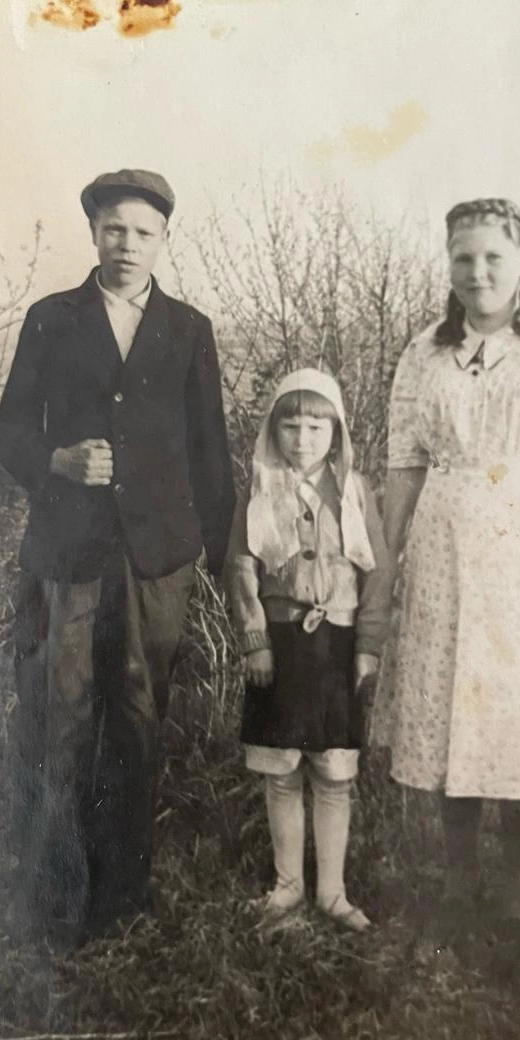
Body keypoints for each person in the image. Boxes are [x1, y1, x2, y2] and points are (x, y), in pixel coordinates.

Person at [0, 169, 236, 946]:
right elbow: (8, 429)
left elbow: (211, 451)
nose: (127, 245)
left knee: (137, 716)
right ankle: (49, 893)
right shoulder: (51, 319)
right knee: (58, 714)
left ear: (164, 239)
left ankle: (123, 896)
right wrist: (55, 461)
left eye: (143, 232)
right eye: (114, 229)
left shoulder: (188, 329)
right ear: (94, 232)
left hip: (157, 556)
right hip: (68, 551)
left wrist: (226, 561)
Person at [371, 197, 520, 938]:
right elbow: (405, 466)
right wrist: (383, 564)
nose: (477, 272)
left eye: (493, 258)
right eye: (463, 258)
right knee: (453, 705)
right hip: (443, 549)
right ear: (449, 265)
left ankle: (517, 886)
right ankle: (457, 879)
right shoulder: (423, 352)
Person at [224, 369, 392, 932]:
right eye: (290, 426)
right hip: (279, 645)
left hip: (337, 645)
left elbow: (378, 573)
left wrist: (368, 645)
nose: (302, 439)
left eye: (316, 427)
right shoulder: (259, 489)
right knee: (281, 770)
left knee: (333, 771)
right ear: (274, 431)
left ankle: (332, 892)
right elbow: (240, 568)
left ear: (336, 432)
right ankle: (288, 885)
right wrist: (254, 639)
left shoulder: (354, 491)